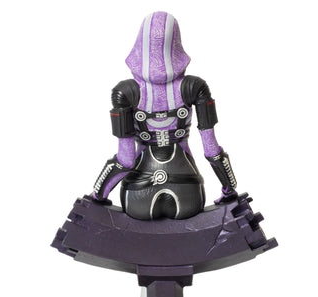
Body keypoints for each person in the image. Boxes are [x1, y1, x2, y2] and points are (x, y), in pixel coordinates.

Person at [93, 11, 237, 221]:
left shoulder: (124, 92)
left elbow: (125, 159)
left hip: (138, 195)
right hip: (188, 191)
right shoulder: (195, 87)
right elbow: (211, 149)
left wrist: (98, 195)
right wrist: (229, 189)